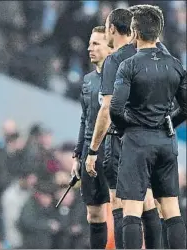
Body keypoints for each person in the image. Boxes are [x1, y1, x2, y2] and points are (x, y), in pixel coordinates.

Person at [85, 8, 168, 249]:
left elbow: (108, 110)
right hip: (154, 138)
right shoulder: (155, 53)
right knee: (149, 201)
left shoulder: (116, 59)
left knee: (121, 203)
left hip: (124, 140)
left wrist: (92, 150)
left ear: (111, 29)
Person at [109, 6, 187, 249]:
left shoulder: (129, 65)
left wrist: (129, 128)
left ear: (134, 31)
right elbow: (185, 107)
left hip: (137, 142)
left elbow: (115, 109)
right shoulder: (175, 65)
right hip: (166, 142)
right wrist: (166, 123)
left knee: (132, 208)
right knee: (171, 209)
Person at [71, 25, 112, 249]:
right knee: (94, 214)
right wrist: (77, 154)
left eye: (96, 43)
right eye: (89, 43)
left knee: (122, 210)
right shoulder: (87, 80)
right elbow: (85, 118)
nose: (90, 48)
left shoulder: (121, 78)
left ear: (110, 46)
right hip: (89, 153)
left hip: (112, 151)